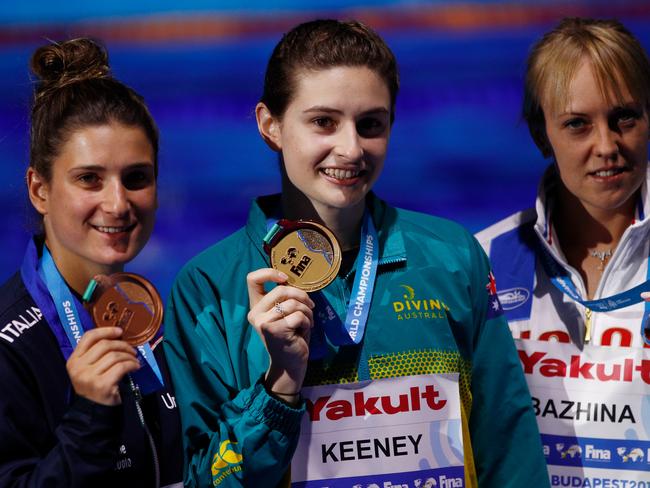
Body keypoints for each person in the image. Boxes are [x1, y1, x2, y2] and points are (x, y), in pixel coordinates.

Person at [164, 19, 548, 487]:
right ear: (271, 125)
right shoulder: (208, 288)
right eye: (324, 121)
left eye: (370, 125)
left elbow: (508, 450)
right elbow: (204, 480)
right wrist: (279, 387)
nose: (350, 148)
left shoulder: (451, 256)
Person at [0, 38, 182, 487]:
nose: (118, 203)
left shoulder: (170, 320)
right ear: (39, 189)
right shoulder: (9, 350)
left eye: (136, 178)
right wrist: (89, 415)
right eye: (89, 179)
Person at [477, 18, 650, 484]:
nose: (607, 146)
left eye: (625, 118)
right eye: (577, 124)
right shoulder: (483, 261)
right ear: (540, 134)